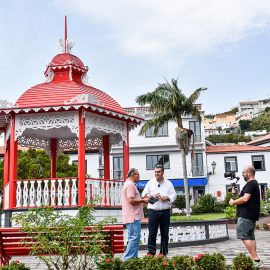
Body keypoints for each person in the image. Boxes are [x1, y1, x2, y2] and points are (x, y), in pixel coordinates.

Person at [229, 165, 263, 268]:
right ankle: (255, 260)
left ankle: (256, 260)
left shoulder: (251, 183)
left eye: (243, 172)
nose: (242, 175)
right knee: (250, 237)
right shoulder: (253, 184)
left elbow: (245, 199)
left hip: (246, 216)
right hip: (251, 216)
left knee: (243, 235)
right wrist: (237, 193)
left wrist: (233, 202)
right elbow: (245, 196)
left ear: (248, 172)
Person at [142, 164, 177, 257]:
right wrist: (152, 196)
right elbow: (143, 195)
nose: (156, 174)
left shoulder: (169, 183)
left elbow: (174, 195)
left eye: (158, 172)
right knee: (152, 233)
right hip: (153, 212)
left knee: (165, 233)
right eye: (155, 172)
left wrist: (167, 197)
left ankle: (163, 252)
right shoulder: (150, 183)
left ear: (163, 173)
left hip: (165, 212)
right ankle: (151, 252)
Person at [122, 168, 148, 261]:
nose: (139, 177)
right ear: (133, 175)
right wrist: (143, 200)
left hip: (132, 216)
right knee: (134, 237)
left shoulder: (129, 184)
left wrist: (142, 200)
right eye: (138, 175)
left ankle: (133, 258)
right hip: (133, 216)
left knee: (133, 238)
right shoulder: (130, 185)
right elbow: (131, 200)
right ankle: (128, 258)